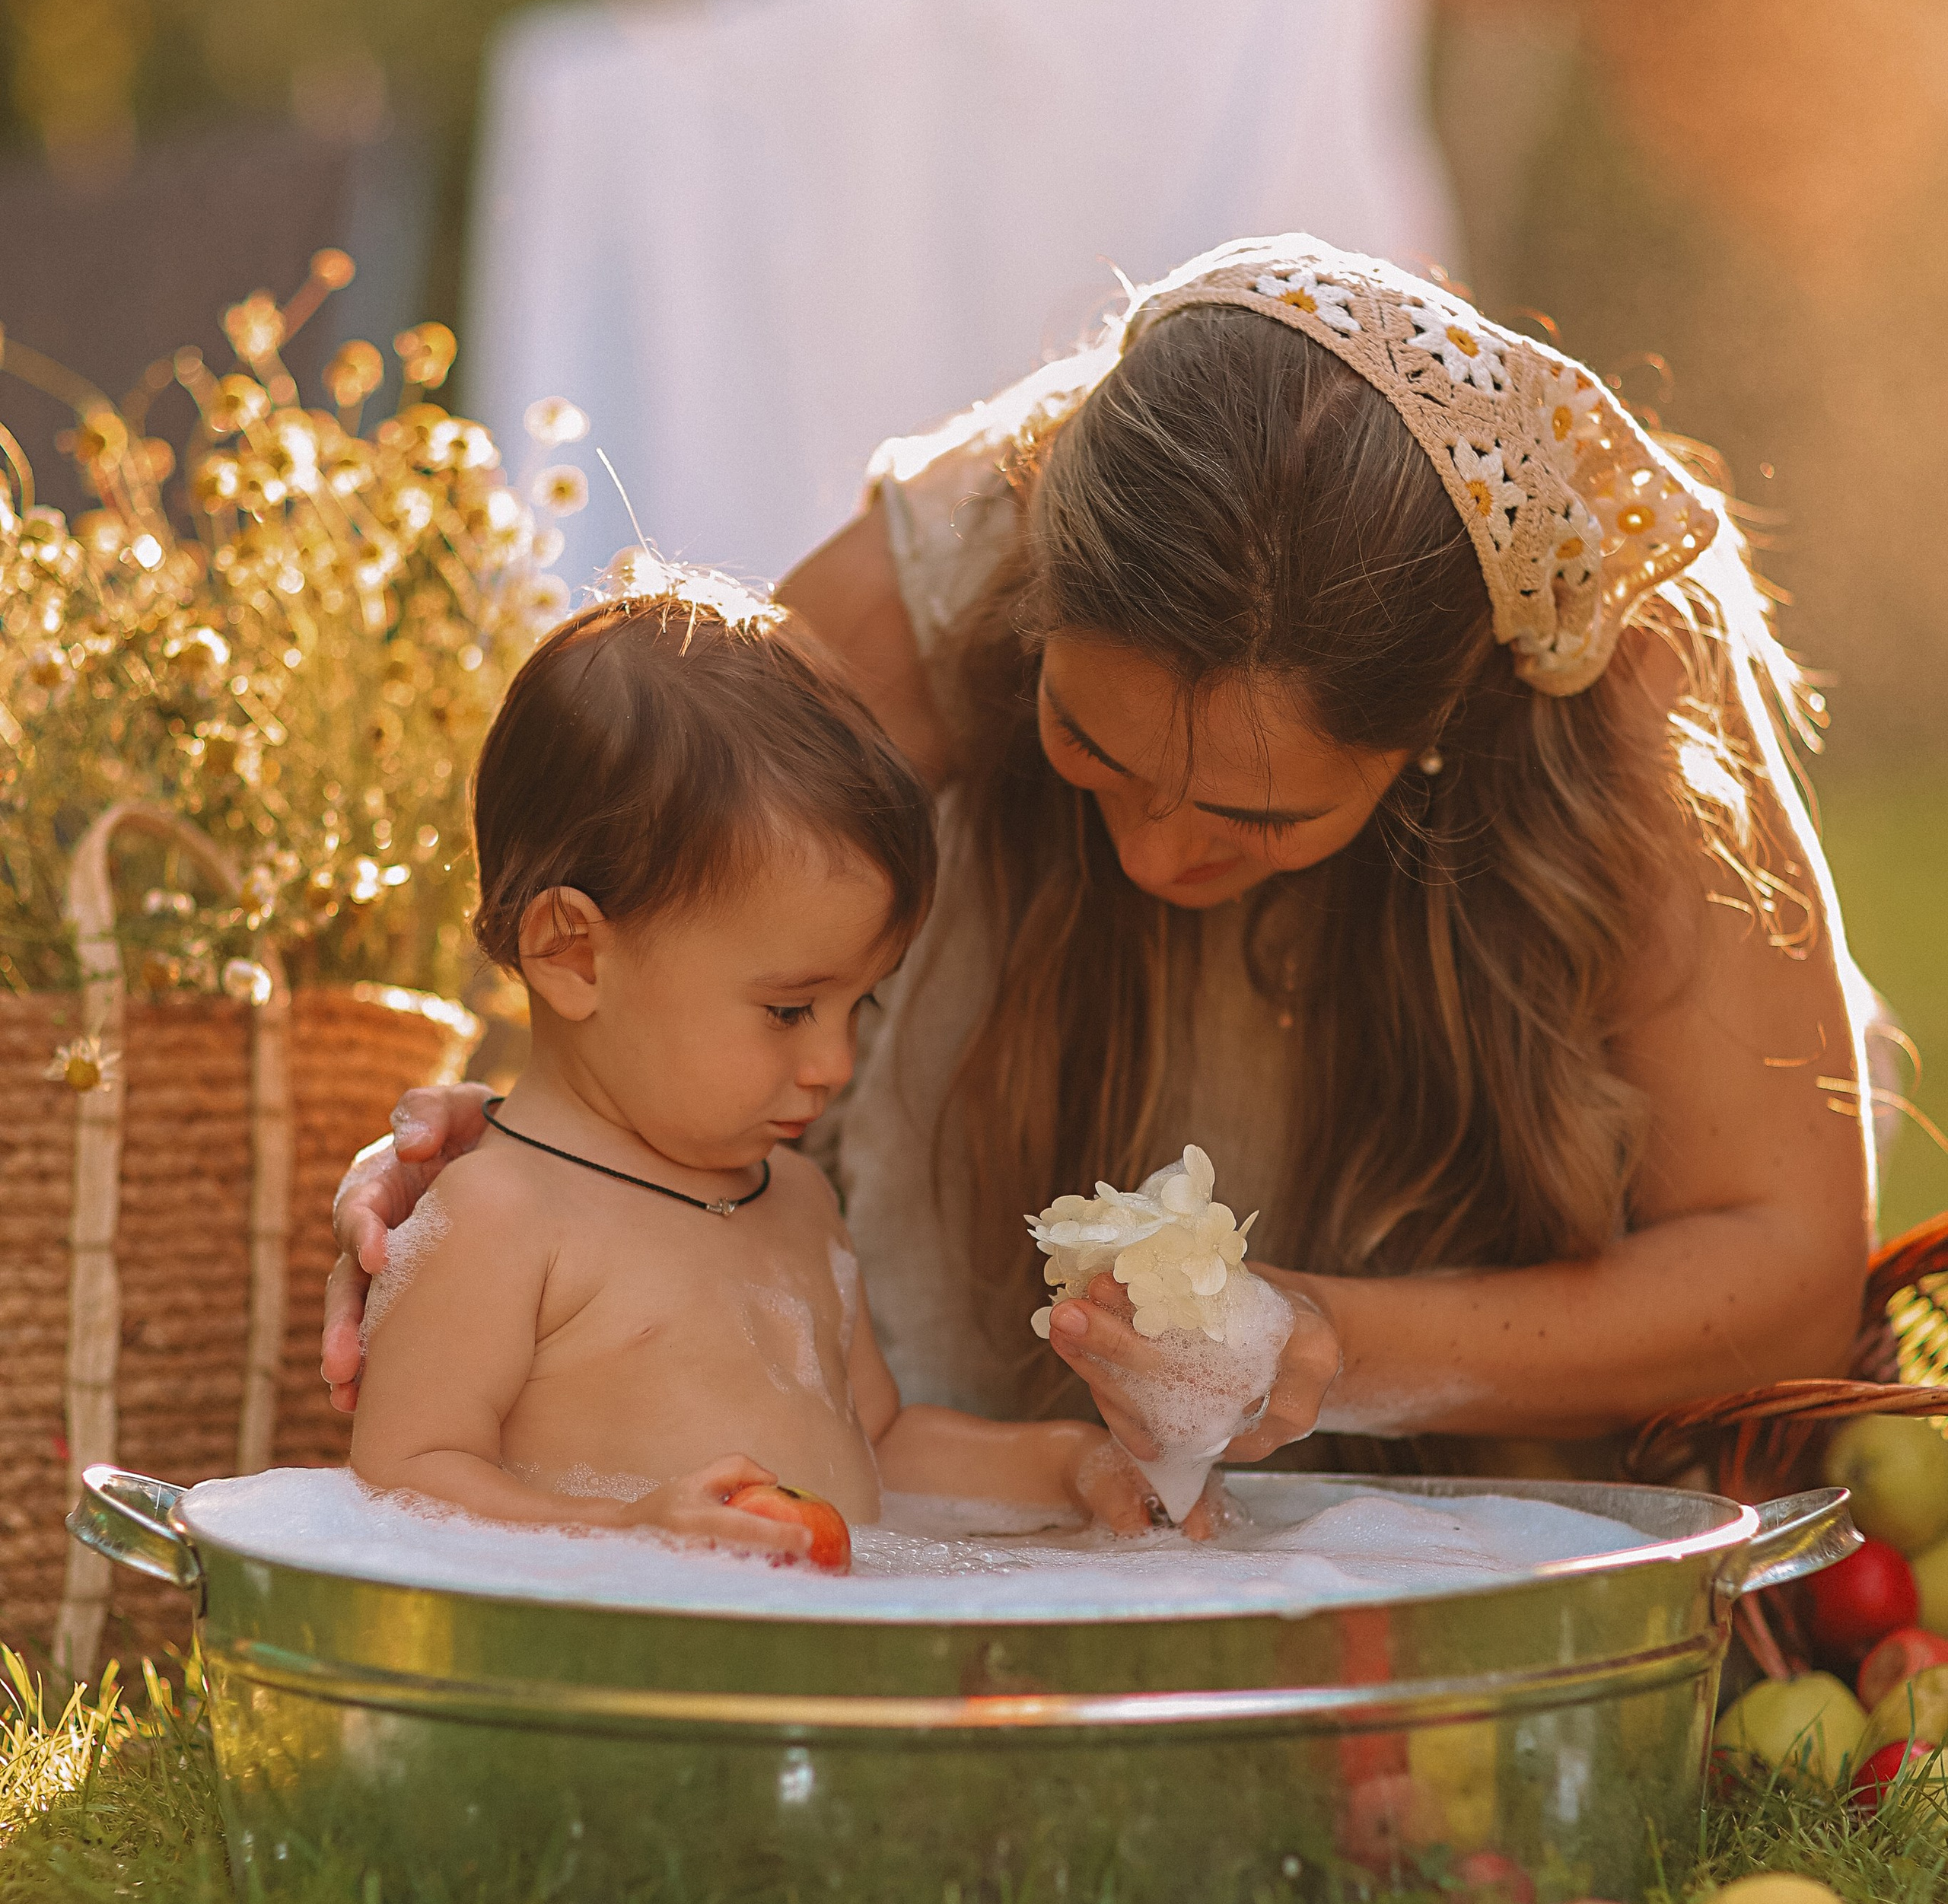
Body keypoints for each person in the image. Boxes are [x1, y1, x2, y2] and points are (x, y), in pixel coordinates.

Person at [326, 235, 1873, 1510]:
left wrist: (1332, 1341)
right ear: (1029, 603)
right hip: (954, 1469)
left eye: (1257, 821)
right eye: (1086, 744)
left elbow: (1787, 1269)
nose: (1152, 851)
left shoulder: (1607, 681)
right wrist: (493, 1175)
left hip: (1506, 1494)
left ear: (1430, 738)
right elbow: (653, 933)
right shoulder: (942, 565)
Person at [348, 576, 1155, 1550]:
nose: (834, 1064)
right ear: (572, 953)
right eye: (787, 1009)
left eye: (862, 1004)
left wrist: (1067, 1464)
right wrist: (623, 1528)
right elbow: (405, 1482)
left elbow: (879, 1444)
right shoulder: (501, 1218)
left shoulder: (799, 1200)